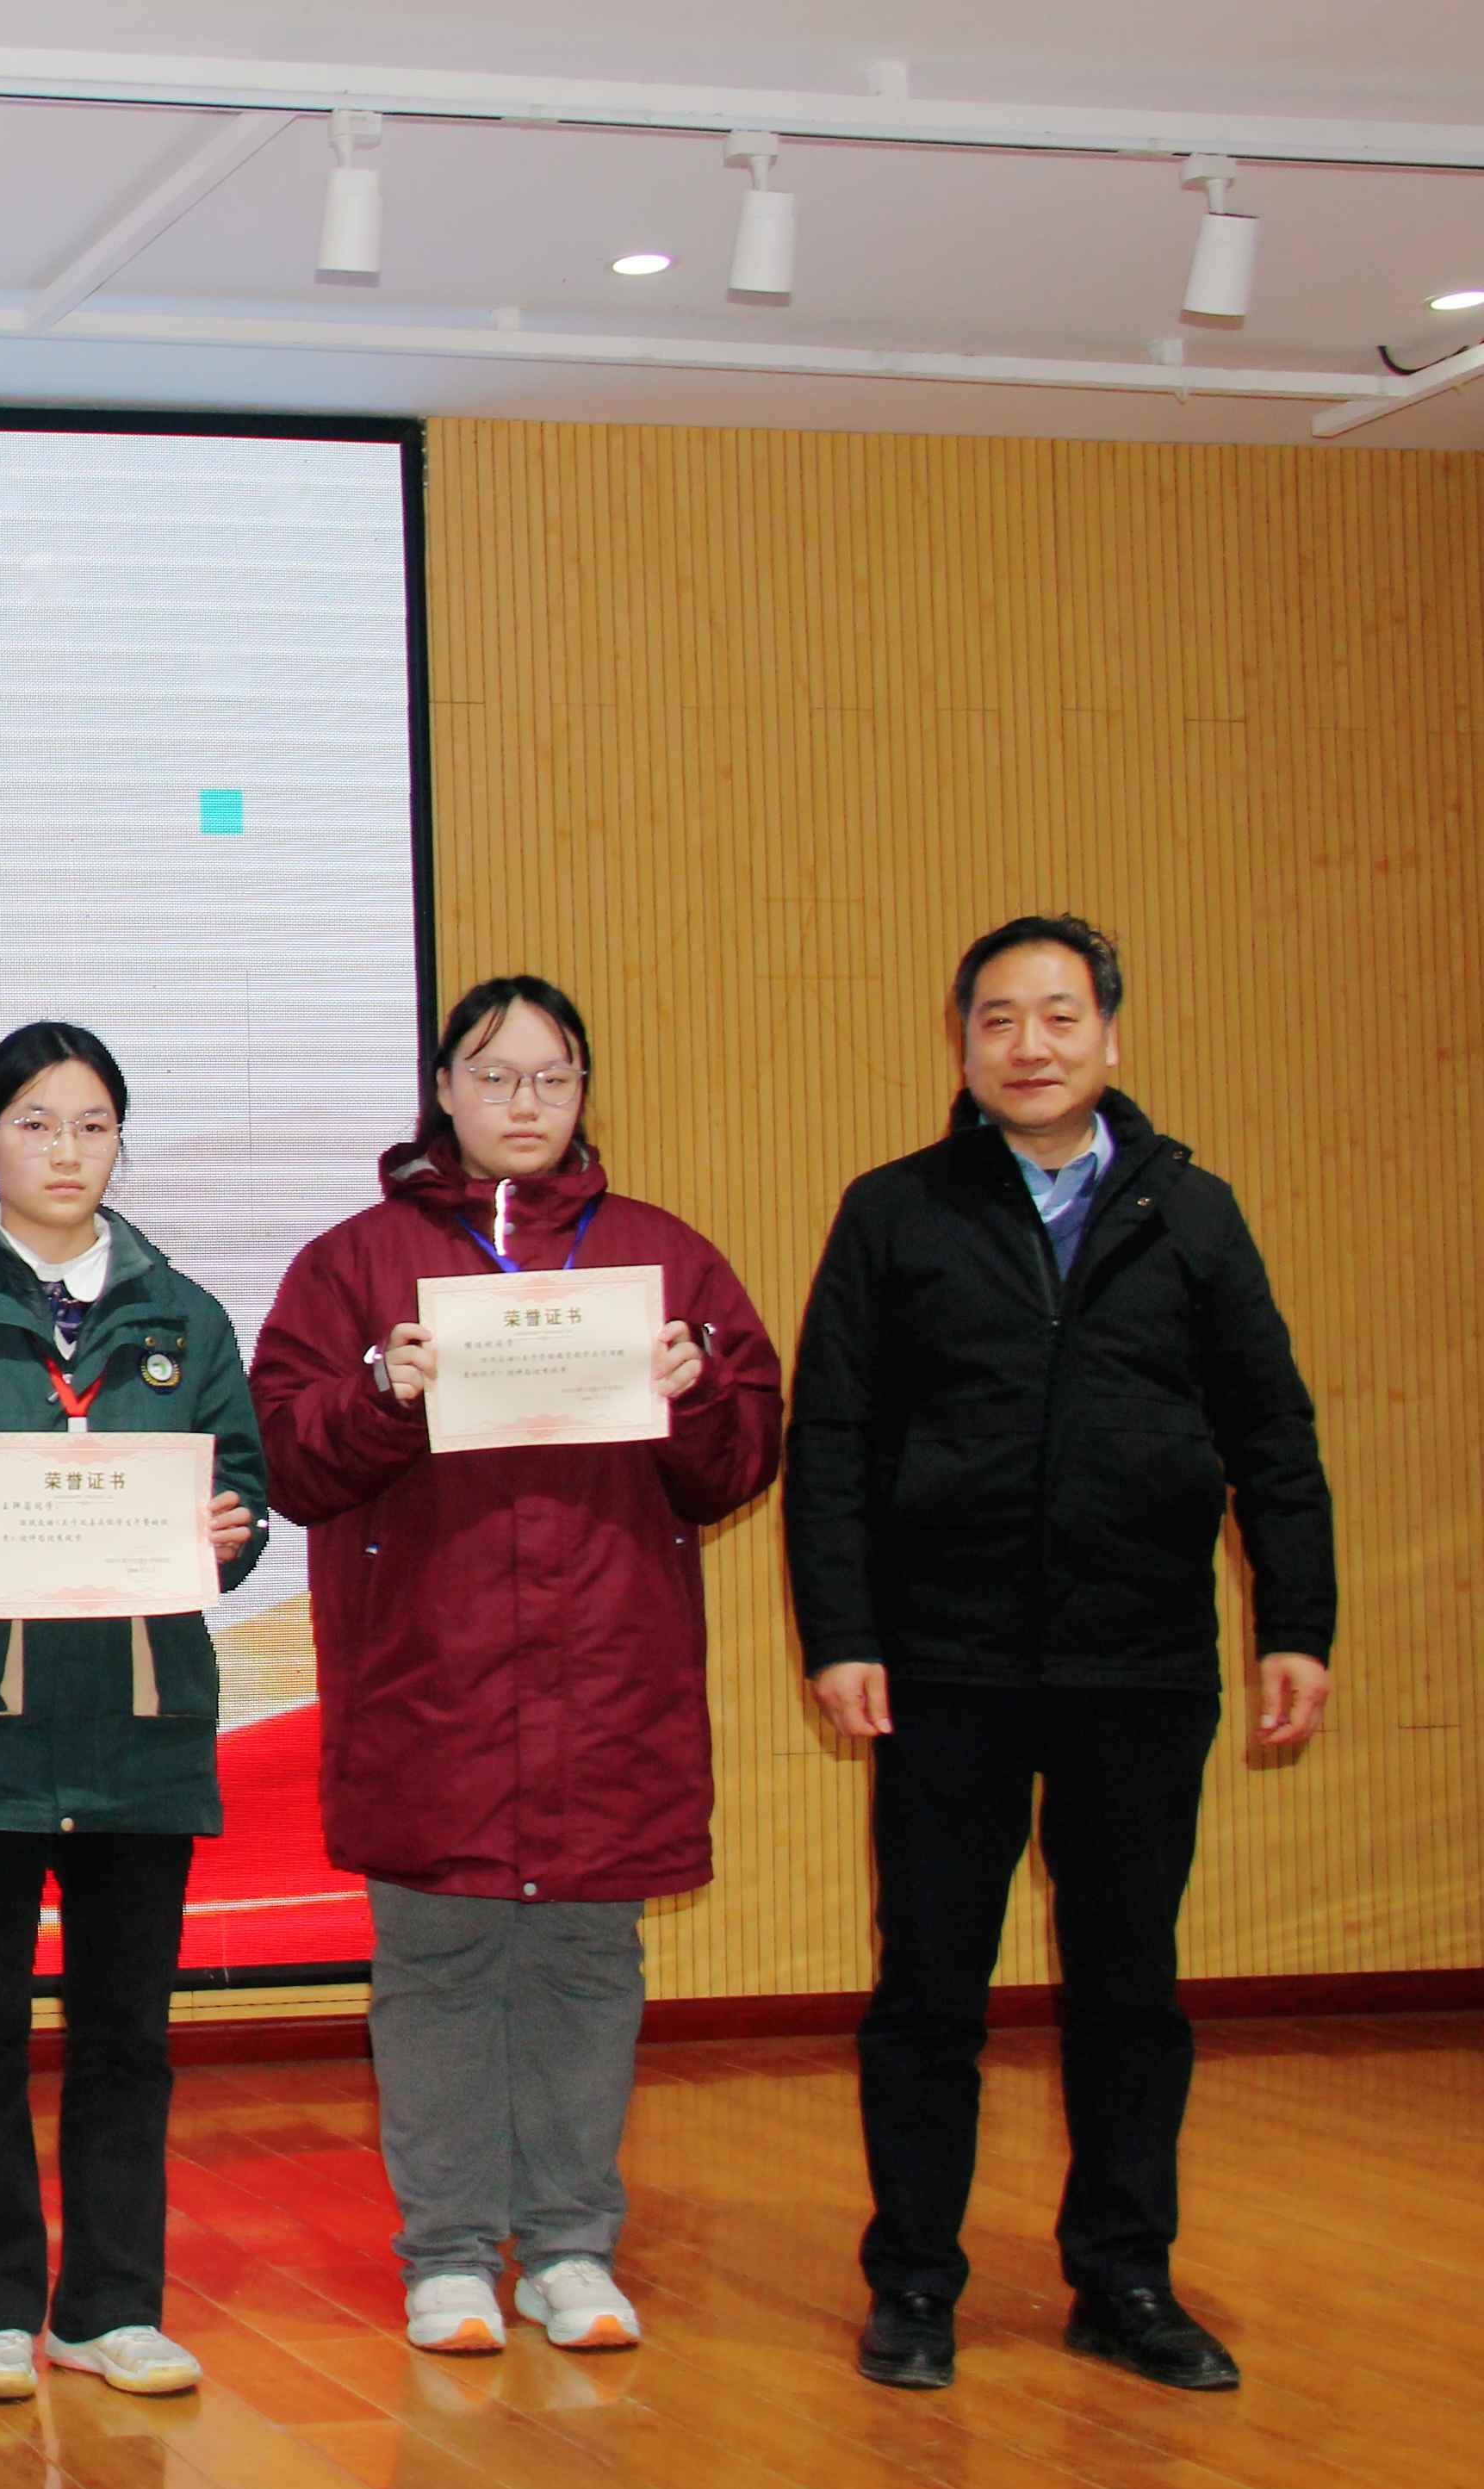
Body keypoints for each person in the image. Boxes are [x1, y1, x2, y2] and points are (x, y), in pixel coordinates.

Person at [788, 916, 1332, 2396]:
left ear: (1111, 1037)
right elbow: (831, 1440)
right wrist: (843, 1636)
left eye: (1060, 1016)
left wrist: (1297, 1622)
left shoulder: (1193, 1214)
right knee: (929, 1989)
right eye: (999, 1020)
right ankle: (915, 2281)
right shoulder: (895, 1213)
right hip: (944, 1661)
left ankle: (1125, 2278)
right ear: (962, 1045)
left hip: (1138, 1661)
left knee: (1130, 1988)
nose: (1030, 1046)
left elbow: (1271, 1429)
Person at [248, 977, 782, 2358]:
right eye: (494, 1077)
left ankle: (569, 2246)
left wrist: (697, 1391)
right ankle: (443, 2254)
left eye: (553, 1077)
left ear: (585, 1091)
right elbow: (288, 1460)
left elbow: (739, 1464)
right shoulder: (354, 1264)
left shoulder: (663, 1258)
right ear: (444, 1092)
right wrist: (381, 1391)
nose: (524, 1103)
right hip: (432, 1682)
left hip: (611, 1681)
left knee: (588, 1965)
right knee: (438, 1965)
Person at [0, 1021, 271, 2405]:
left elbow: (243, 1490)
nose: (65, 1151)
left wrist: (232, 1528)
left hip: (139, 1723)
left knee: (129, 2031)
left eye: (91, 1125)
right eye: (34, 1123)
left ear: (120, 1142)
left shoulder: (183, 1316)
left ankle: (113, 2305)